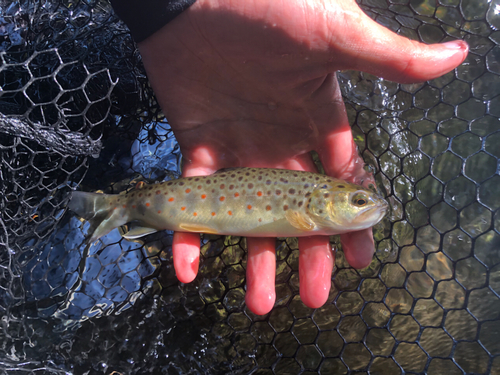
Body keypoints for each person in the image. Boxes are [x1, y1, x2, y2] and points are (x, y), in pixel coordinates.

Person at [110, 0, 468, 315]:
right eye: (358, 200)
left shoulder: (312, 205)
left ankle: (118, 208)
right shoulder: (307, 209)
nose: (368, 206)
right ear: (319, 202)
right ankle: (120, 208)